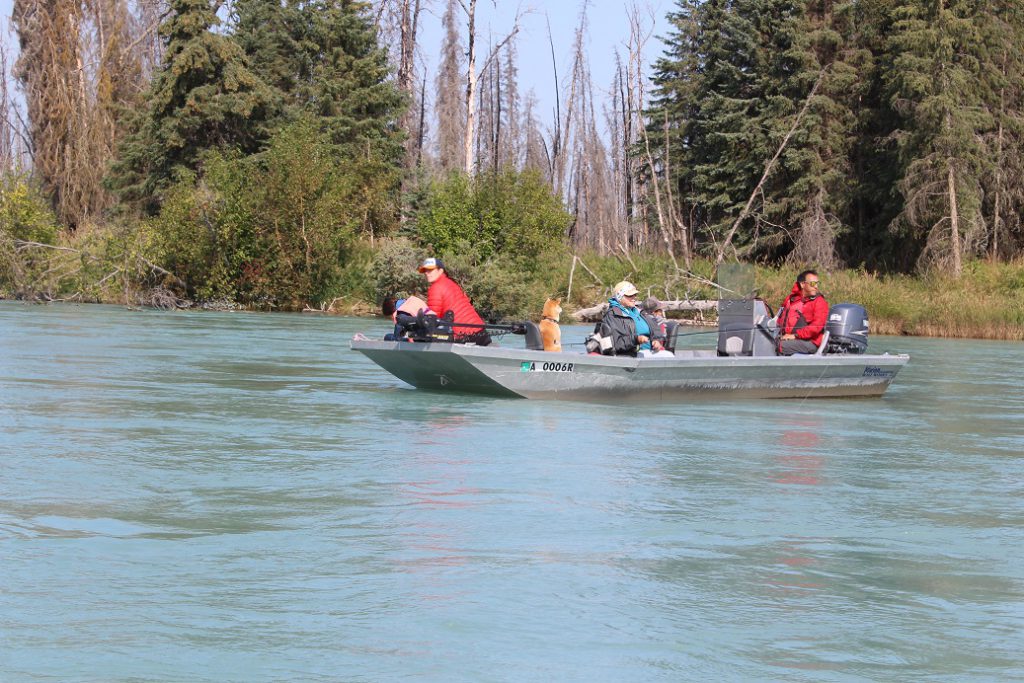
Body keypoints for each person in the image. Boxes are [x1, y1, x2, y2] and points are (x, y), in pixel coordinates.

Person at [418, 257, 491, 345]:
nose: (427, 273)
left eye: (430, 270)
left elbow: (432, 318)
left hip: (464, 336)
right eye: (425, 271)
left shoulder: (435, 288)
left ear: (440, 271)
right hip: (481, 331)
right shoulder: (452, 283)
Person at [596, 281, 669, 357]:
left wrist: (656, 340)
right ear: (619, 296)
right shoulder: (613, 315)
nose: (634, 297)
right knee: (669, 356)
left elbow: (655, 328)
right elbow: (617, 343)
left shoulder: (639, 311)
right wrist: (636, 339)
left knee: (669, 355)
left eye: (634, 295)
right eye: (630, 295)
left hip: (649, 352)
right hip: (629, 355)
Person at [777, 269, 829, 355]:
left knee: (778, 346)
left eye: (817, 283)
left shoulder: (820, 302)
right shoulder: (790, 299)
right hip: (790, 338)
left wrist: (795, 336)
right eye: (813, 284)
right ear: (802, 284)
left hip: (811, 342)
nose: (816, 286)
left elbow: (817, 326)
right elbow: (779, 319)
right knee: (767, 342)